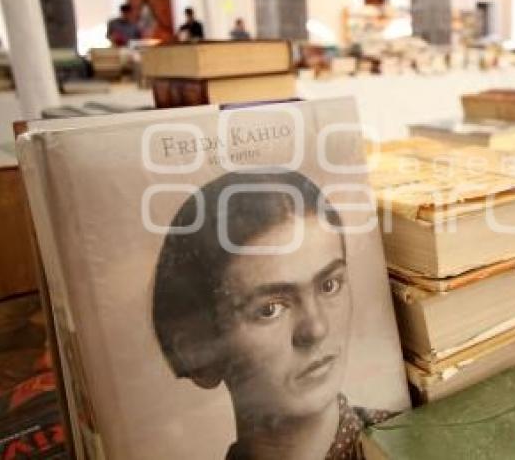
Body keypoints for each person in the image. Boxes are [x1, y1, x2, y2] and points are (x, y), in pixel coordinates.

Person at [153, 171, 392, 460]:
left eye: (329, 285)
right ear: (196, 350)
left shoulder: (409, 441)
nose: (316, 328)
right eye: (270, 309)